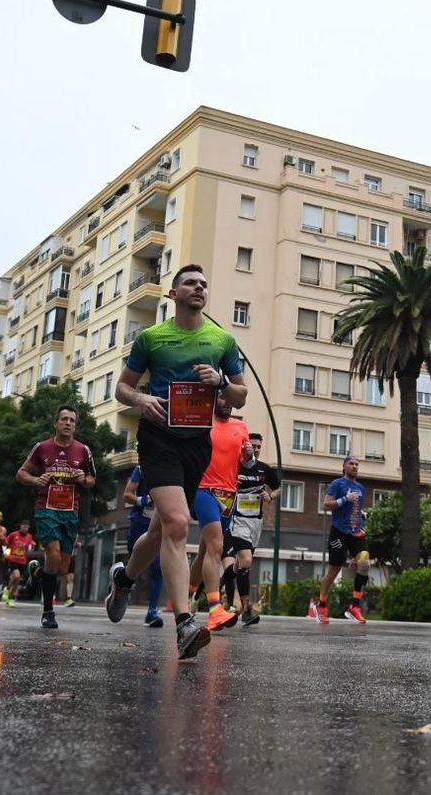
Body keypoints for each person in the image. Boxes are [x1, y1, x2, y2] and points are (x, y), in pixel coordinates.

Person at [105, 264, 246, 661]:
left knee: (161, 531)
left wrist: (220, 383)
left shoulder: (221, 340)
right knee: (180, 524)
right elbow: (122, 387)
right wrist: (141, 400)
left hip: (196, 443)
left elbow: (240, 396)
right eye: (191, 283)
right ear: (173, 293)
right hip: (159, 438)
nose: (199, 287)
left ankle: (124, 579)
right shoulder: (152, 338)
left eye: (204, 283)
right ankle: (184, 623)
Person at [17, 405, 95, 631]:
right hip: (47, 508)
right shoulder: (42, 448)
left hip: (71, 510)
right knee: (51, 554)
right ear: (56, 423)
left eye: (72, 420)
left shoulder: (83, 450)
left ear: (75, 425)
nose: (68, 423)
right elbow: (21, 473)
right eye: (64, 419)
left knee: (61, 567)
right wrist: (35, 480)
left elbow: (92, 479)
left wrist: (84, 479)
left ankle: (37, 571)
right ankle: (48, 611)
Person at [185, 393, 247, 633]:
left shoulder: (241, 426)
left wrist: (247, 457)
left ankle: (186, 597)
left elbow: (242, 460)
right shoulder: (202, 423)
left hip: (229, 494)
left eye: (230, 399)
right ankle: (214, 609)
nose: (227, 402)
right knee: (215, 547)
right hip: (204, 490)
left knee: (203, 552)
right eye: (222, 398)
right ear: (212, 400)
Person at [223, 432, 280, 626]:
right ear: (244, 447)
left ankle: (223, 580)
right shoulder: (234, 465)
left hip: (256, 522)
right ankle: (247, 610)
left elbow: (278, 487)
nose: (255, 449)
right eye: (252, 446)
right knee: (246, 560)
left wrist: (270, 496)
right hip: (237, 520)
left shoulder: (264, 469)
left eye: (258, 447)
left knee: (240, 566)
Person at [319, 456, 370, 623]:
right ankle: (321, 604)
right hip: (339, 533)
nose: (354, 466)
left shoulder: (360, 487)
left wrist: (362, 515)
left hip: (355, 533)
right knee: (335, 570)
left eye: (357, 464)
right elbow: (326, 505)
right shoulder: (337, 484)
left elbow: (355, 509)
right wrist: (344, 500)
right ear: (344, 466)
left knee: (365, 563)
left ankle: (354, 607)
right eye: (351, 464)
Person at [122, 469, 166, 627]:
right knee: (134, 565)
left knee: (157, 567)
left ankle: (152, 610)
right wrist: (142, 500)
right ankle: (120, 586)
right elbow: (127, 494)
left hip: (159, 524)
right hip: (139, 523)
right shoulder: (142, 467)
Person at [0, 520, 35, 609]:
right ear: (20, 526)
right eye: (24, 527)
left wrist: (31, 547)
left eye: (27, 527)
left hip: (22, 561)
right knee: (16, 576)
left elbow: (29, 547)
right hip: (13, 559)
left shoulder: (29, 537)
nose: (25, 529)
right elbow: (5, 543)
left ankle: (10, 596)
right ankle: (8, 591)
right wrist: (5, 552)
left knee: (17, 580)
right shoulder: (14, 534)